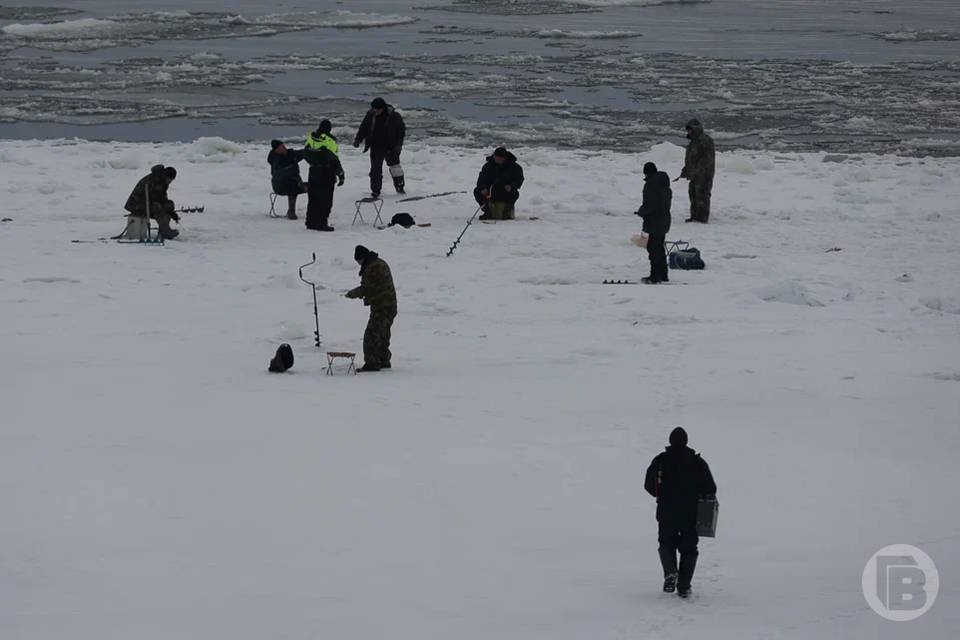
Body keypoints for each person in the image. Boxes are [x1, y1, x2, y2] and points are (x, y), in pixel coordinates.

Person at [644, 427, 717, 599]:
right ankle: (684, 586)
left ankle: (670, 573)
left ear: (670, 441)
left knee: (666, 543)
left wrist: (660, 494)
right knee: (689, 548)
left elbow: (648, 484)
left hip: (666, 512)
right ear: (686, 441)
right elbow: (711, 488)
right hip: (690, 514)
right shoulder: (697, 463)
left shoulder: (660, 461)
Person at [345, 245, 397, 372]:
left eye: (358, 261)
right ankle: (383, 360)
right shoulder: (378, 263)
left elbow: (366, 288)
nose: (358, 264)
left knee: (371, 336)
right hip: (389, 305)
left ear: (362, 258)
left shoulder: (373, 268)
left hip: (382, 307)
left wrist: (351, 294)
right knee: (383, 335)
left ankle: (372, 363)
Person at [353, 97, 406, 197]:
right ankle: (375, 191)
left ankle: (400, 188)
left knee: (396, 168)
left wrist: (399, 144)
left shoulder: (394, 116)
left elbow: (401, 131)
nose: (375, 111)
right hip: (376, 146)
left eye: (377, 109)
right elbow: (363, 127)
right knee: (375, 170)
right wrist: (358, 139)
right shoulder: (370, 115)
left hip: (391, 146)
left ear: (382, 108)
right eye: (373, 109)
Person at [303, 120, 345, 232]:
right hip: (326, 172)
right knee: (325, 199)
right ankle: (321, 223)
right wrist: (340, 174)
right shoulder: (329, 140)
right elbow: (334, 159)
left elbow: (305, 154)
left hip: (313, 171)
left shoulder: (310, 138)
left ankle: (310, 222)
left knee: (313, 198)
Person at [635, 161, 672, 284]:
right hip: (664, 219)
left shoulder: (652, 184)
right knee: (659, 248)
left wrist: (641, 212)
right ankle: (663, 274)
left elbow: (650, 204)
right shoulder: (664, 184)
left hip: (655, 220)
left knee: (654, 248)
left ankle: (655, 276)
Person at [124, 164, 179, 240]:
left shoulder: (163, 182)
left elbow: (163, 198)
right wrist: (163, 206)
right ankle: (165, 231)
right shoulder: (153, 180)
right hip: (136, 204)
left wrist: (171, 211)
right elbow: (155, 198)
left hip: (149, 203)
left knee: (169, 204)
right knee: (157, 207)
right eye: (169, 180)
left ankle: (163, 230)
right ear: (165, 176)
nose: (170, 182)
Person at [474, 147, 524, 221]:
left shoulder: (515, 167)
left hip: (505, 191)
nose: (497, 159)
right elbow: (481, 179)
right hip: (490, 192)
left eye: (500, 158)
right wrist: (483, 188)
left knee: (514, 193)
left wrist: (511, 186)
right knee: (477, 191)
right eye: (496, 157)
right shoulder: (488, 166)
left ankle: (506, 213)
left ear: (504, 158)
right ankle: (488, 212)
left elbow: (519, 179)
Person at [680, 118, 715, 223]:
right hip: (694, 175)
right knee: (693, 194)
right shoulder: (693, 142)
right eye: (688, 130)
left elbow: (707, 158)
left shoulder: (705, 140)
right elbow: (691, 158)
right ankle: (694, 216)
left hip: (704, 174)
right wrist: (686, 170)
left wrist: (698, 171)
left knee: (702, 195)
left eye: (690, 129)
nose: (689, 131)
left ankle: (702, 218)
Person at [267, 140, 306, 220]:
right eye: (281, 147)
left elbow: (302, 153)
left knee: (315, 185)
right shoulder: (275, 160)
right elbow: (281, 175)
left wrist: (309, 150)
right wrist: (300, 183)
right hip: (280, 185)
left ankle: (316, 210)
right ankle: (291, 211)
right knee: (292, 186)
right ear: (276, 150)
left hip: (294, 182)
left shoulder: (290, 154)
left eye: (284, 146)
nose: (284, 148)